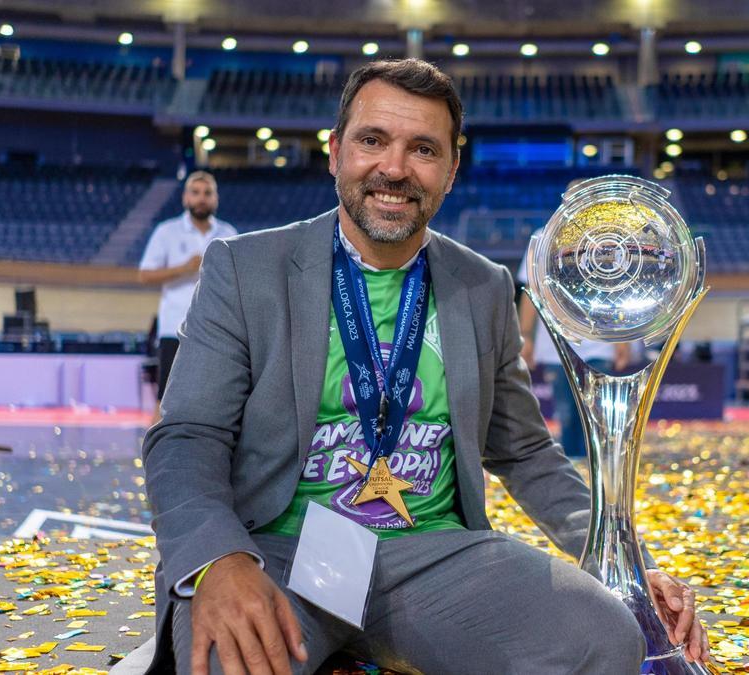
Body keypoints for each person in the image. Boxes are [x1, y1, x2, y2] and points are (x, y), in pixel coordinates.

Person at [143, 59, 709, 675]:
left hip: (432, 555)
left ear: (450, 169)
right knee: (231, 663)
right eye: (372, 141)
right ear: (334, 152)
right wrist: (219, 560)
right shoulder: (245, 267)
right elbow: (187, 436)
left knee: (605, 637)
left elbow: (525, 451)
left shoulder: (483, 286)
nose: (394, 168)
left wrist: (626, 559)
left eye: (423, 149)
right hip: (281, 550)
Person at [517, 231, 630, 457]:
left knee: (599, 413)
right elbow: (531, 292)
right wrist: (525, 336)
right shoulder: (543, 238)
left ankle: (599, 466)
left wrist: (622, 338)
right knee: (566, 413)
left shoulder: (609, 236)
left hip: (600, 342)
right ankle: (574, 468)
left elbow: (618, 290)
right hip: (556, 346)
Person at [138, 171, 237, 414]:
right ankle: (154, 453)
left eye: (207, 193)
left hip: (217, 330)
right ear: (185, 198)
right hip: (175, 328)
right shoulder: (166, 232)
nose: (201, 198)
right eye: (195, 193)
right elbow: (145, 275)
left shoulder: (229, 233)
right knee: (165, 399)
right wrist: (184, 268)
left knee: (215, 400)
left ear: (216, 199)